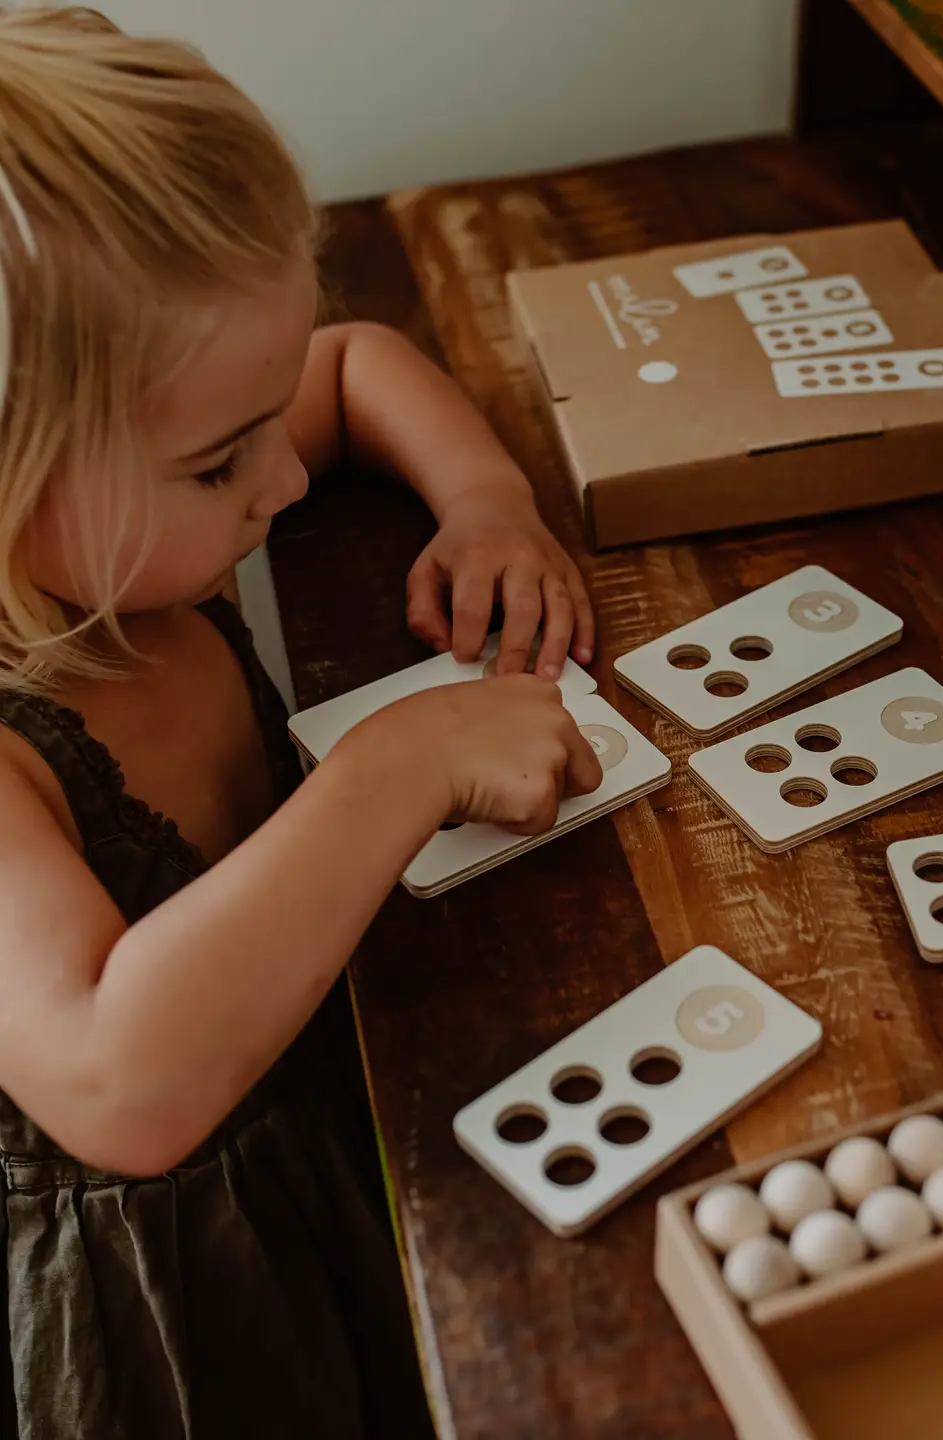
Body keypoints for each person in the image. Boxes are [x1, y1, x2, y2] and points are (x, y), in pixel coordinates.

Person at [0, 8, 604, 1436]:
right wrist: (395, 765)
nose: (281, 478)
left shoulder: (141, 528)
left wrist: (487, 503)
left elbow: (350, 365)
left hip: (341, 1167)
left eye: (262, 423)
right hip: (187, 1336)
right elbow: (118, 1080)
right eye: (220, 462)